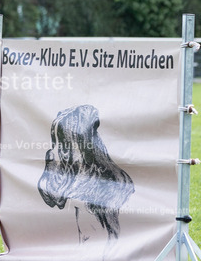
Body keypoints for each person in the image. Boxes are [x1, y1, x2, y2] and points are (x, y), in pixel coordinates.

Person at [37, 105, 135, 246]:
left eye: (63, 145)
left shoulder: (94, 193)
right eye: (55, 144)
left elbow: (100, 248)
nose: (53, 152)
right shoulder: (78, 191)